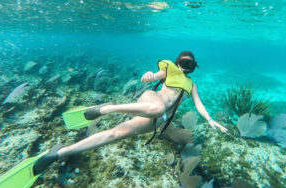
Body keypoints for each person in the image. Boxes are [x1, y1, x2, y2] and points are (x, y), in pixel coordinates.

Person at [33, 51, 228, 175]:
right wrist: (148, 77)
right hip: (152, 100)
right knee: (158, 108)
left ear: (193, 68)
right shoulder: (169, 70)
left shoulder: (192, 85)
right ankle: (106, 109)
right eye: (184, 62)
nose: (185, 67)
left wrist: (210, 119)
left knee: (116, 134)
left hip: (158, 119)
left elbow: (199, 104)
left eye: (190, 65)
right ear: (177, 62)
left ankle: (59, 153)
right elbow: (154, 76)